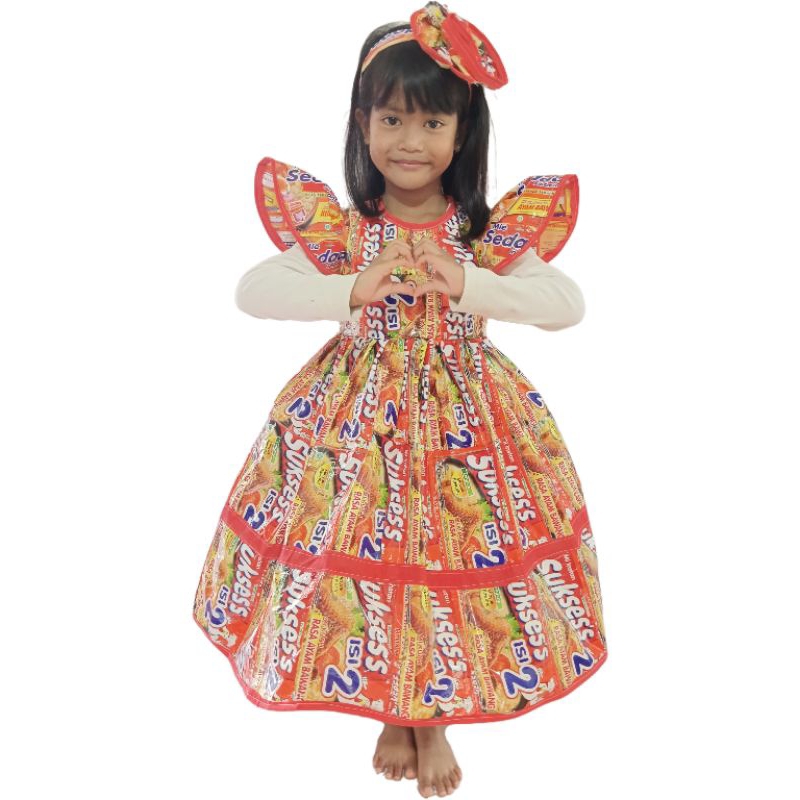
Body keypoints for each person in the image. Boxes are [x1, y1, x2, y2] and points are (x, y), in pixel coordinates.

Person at [192, 3, 607, 798]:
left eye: (432, 122)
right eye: (391, 119)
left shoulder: (481, 235)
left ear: (462, 132)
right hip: (357, 426)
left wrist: (470, 283)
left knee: (446, 556)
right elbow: (254, 289)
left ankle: (431, 719)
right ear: (363, 124)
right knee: (373, 558)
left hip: (466, 428)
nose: (410, 141)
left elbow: (567, 303)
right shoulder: (348, 232)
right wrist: (350, 287)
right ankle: (392, 706)